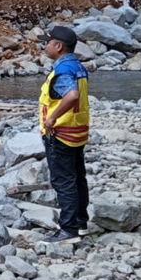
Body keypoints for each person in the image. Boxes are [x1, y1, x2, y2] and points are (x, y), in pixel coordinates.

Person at [37, 25, 90, 243]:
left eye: (47, 42)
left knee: (63, 181)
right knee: (78, 178)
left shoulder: (63, 70)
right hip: (77, 131)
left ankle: (68, 229)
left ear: (58, 46)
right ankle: (80, 223)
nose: (44, 46)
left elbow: (72, 95)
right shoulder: (78, 67)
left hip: (60, 133)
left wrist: (51, 118)